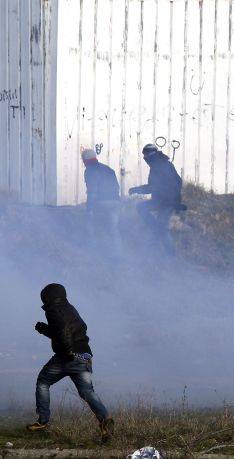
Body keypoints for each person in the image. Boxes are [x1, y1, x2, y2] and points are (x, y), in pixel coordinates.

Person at [27, 284, 114, 440]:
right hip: (85, 355)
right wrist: (45, 330)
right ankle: (105, 422)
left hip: (68, 355)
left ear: (48, 297)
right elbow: (64, 330)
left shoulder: (53, 309)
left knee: (43, 382)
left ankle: (43, 422)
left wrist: (67, 351)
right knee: (87, 392)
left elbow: (64, 331)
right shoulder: (70, 309)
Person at [128, 144, 184, 254]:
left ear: (150, 155)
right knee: (142, 208)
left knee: (162, 229)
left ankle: (171, 256)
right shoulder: (162, 164)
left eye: (145, 156)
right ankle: (156, 232)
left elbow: (153, 187)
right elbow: (179, 182)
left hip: (167, 202)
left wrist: (136, 189)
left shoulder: (160, 166)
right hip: (162, 200)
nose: (145, 158)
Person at [81, 148, 121, 257]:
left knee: (91, 225)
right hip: (115, 202)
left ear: (85, 160)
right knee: (113, 229)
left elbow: (92, 191)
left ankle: (93, 252)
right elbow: (117, 187)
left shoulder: (90, 171)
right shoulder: (108, 169)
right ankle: (117, 255)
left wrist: (89, 209)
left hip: (101, 202)